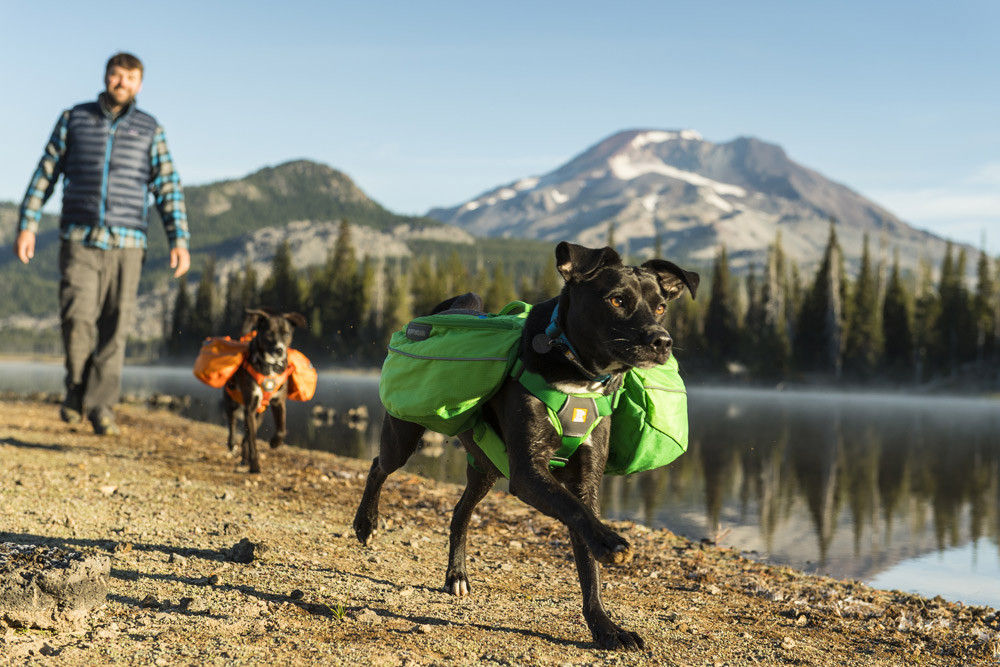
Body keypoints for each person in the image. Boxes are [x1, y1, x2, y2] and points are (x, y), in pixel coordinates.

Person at [13, 52, 191, 436]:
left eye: (130, 77)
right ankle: (76, 389)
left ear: (139, 85)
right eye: (116, 75)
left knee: (116, 327)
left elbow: (168, 187)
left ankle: (102, 407)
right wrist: (28, 222)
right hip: (79, 237)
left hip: (128, 243)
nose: (121, 82)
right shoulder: (74, 118)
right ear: (106, 77)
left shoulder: (149, 128)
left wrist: (179, 239)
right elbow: (46, 172)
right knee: (77, 319)